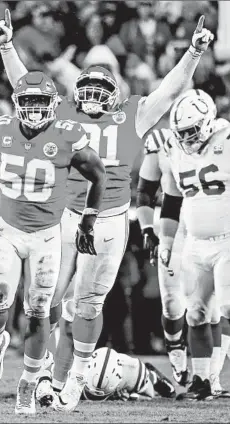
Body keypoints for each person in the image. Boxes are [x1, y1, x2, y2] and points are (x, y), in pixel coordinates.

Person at [0, 9, 215, 411]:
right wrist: (7, 46)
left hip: (109, 217)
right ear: (76, 92)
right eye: (88, 89)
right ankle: (44, 376)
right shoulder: (61, 114)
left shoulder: (132, 112)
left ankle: (74, 377)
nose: (93, 97)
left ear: (113, 93)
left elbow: (169, 88)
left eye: (101, 90)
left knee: (88, 303)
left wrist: (194, 54)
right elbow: (24, 84)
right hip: (63, 214)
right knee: (46, 299)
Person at [0, 70, 106, 415]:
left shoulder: (68, 135)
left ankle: (26, 385)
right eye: (27, 101)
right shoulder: (2, 132)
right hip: (7, 231)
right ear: (17, 103)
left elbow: (97, 174)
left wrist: (88, 217)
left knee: (39, 311)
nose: (34, 108)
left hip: (46, 237)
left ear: (53, 104)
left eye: (41, 101)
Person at [137, 89, 230, 398]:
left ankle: (213, 378)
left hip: (228, 239)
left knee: (228, 307)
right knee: (196, 313)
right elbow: (173, 199)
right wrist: (164, 239)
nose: (187, 138)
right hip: (195, 242)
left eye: (192, 131)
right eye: (182, 133)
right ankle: (203, 382)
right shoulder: (174, 148)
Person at [82, 347, 175, 401]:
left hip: (134, 371)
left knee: (170, 392)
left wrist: (134, 397)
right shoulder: (80, 366)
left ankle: (152, 374)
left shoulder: (133, 372)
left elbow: (150, 396)